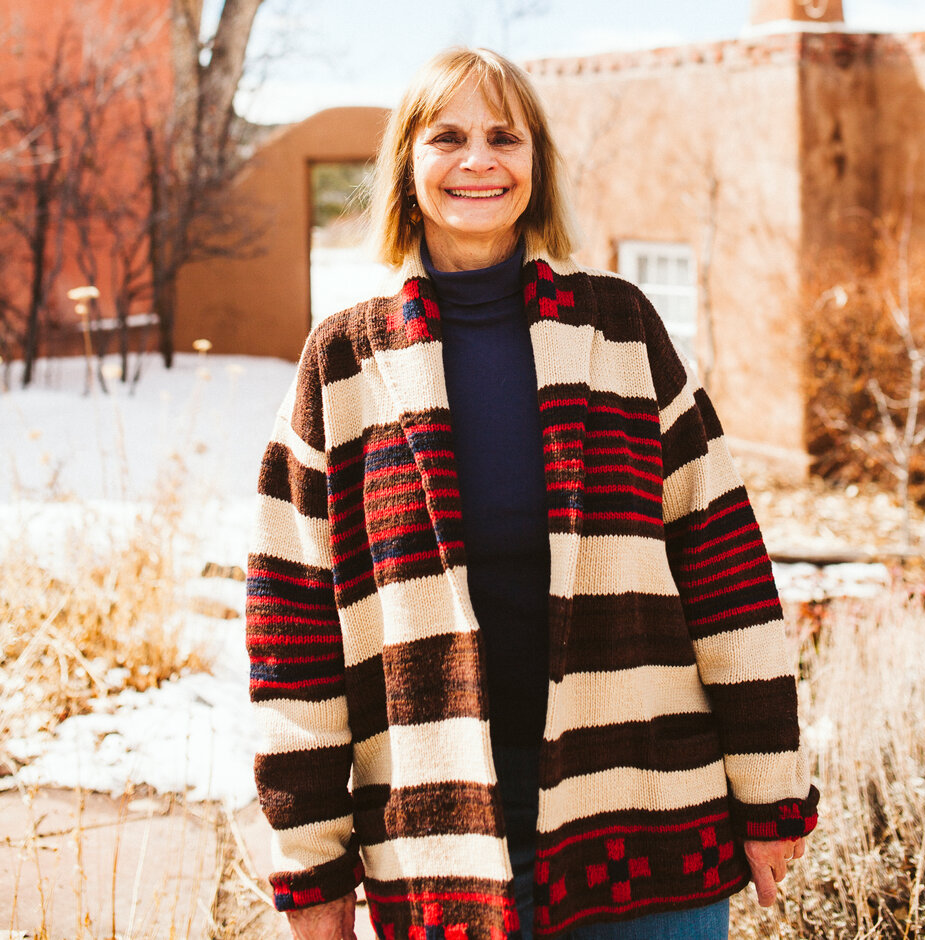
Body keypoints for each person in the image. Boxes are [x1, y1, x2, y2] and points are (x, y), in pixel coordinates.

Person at [247, 47, 817, 940]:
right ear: (407, 164)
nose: (479, 161)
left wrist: (771, 793)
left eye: (504, 137)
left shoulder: (619, 331)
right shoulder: (343, 367)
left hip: (647, 814)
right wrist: (311, 865)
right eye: (449, 137)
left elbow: (726, 570)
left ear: (537, 164)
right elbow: (294, 633)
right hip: (437, 840)